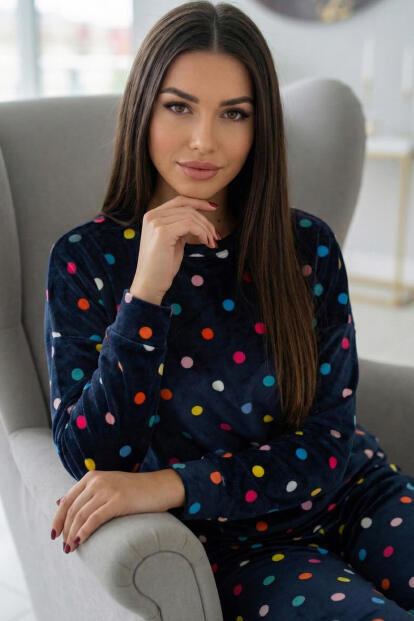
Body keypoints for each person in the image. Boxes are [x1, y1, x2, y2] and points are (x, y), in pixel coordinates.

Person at [44, 1, 414, 619]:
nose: (204, 141)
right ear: (143, 109)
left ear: (259, 125)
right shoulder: (86, 260)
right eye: (179, 107)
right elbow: (93, 461)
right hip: (238, 547)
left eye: (234, 114)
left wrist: (168, 485)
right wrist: (146, 293)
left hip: (356, 494)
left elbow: (328, 445)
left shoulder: (307, 246)